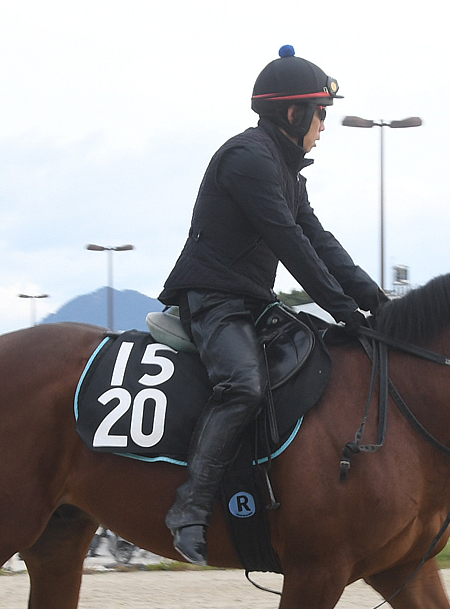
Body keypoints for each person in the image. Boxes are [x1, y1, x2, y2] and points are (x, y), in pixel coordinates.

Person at [158, 45, 388, 565]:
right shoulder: (248, 159)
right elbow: (292, 246)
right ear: (294, 113)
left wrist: (378, 304)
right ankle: (189, 507)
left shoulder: (286, 171)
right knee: (244, 384)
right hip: (213, 299)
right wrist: (344, 309)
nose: (324, 125)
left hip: (251, 302)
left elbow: (321, 241)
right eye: (321, 113)